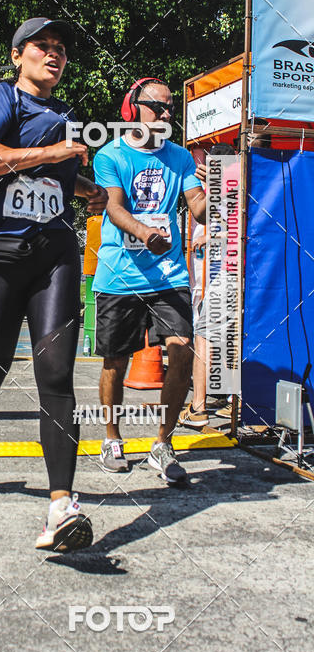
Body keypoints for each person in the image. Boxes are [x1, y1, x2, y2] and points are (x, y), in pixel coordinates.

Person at [0, 16, 108, 552]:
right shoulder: (1, 100)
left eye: (61, 48)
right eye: (42, 46)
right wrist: (51, 153)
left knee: (57, 375)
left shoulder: (65, 115)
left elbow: (51, 178)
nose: (54, 54)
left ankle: (61, 506)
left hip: (54, 255)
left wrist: (85, 189)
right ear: (18, 55)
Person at [93, 77, 206, 481]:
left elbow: (197, 206)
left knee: (182, 350)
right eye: (158, 106)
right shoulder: (109, 155)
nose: (166, 114)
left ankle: (162, 444)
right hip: (120, 275)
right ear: (132, 109)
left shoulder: (180, 157)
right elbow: (114, 207)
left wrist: (217, 191)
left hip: (169, 275)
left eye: (171, 107)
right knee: (115, 361)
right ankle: (112, 438)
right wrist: (144, 233)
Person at [180, 143, 238, 428]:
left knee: (204, 335)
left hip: (230, 273)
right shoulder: (242, 181)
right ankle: (232, 401)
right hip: (236, 274)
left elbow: (240, 229)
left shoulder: (231, 184)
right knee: (232, 337)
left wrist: (212, 238)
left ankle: (198, 407)